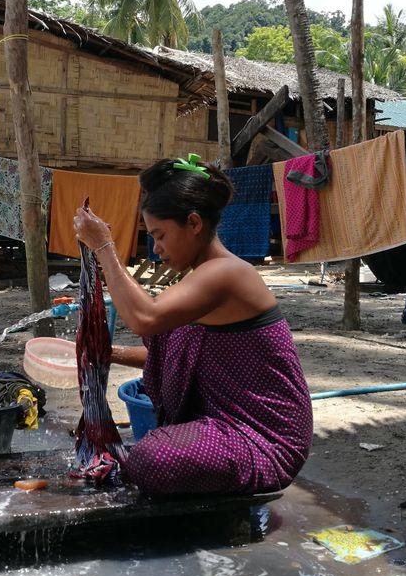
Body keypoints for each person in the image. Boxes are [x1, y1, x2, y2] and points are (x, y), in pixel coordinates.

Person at [72, 156, 312, 497]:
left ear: (194, 222)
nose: (156, 249)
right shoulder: (201, 279)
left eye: (160, 235)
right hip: (230, 429)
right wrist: (106, 354)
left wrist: (105, 248)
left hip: (266, 442)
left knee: (149, 459)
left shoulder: (227, 274)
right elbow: (176, 356)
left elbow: (146, 318)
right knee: (144, 454)